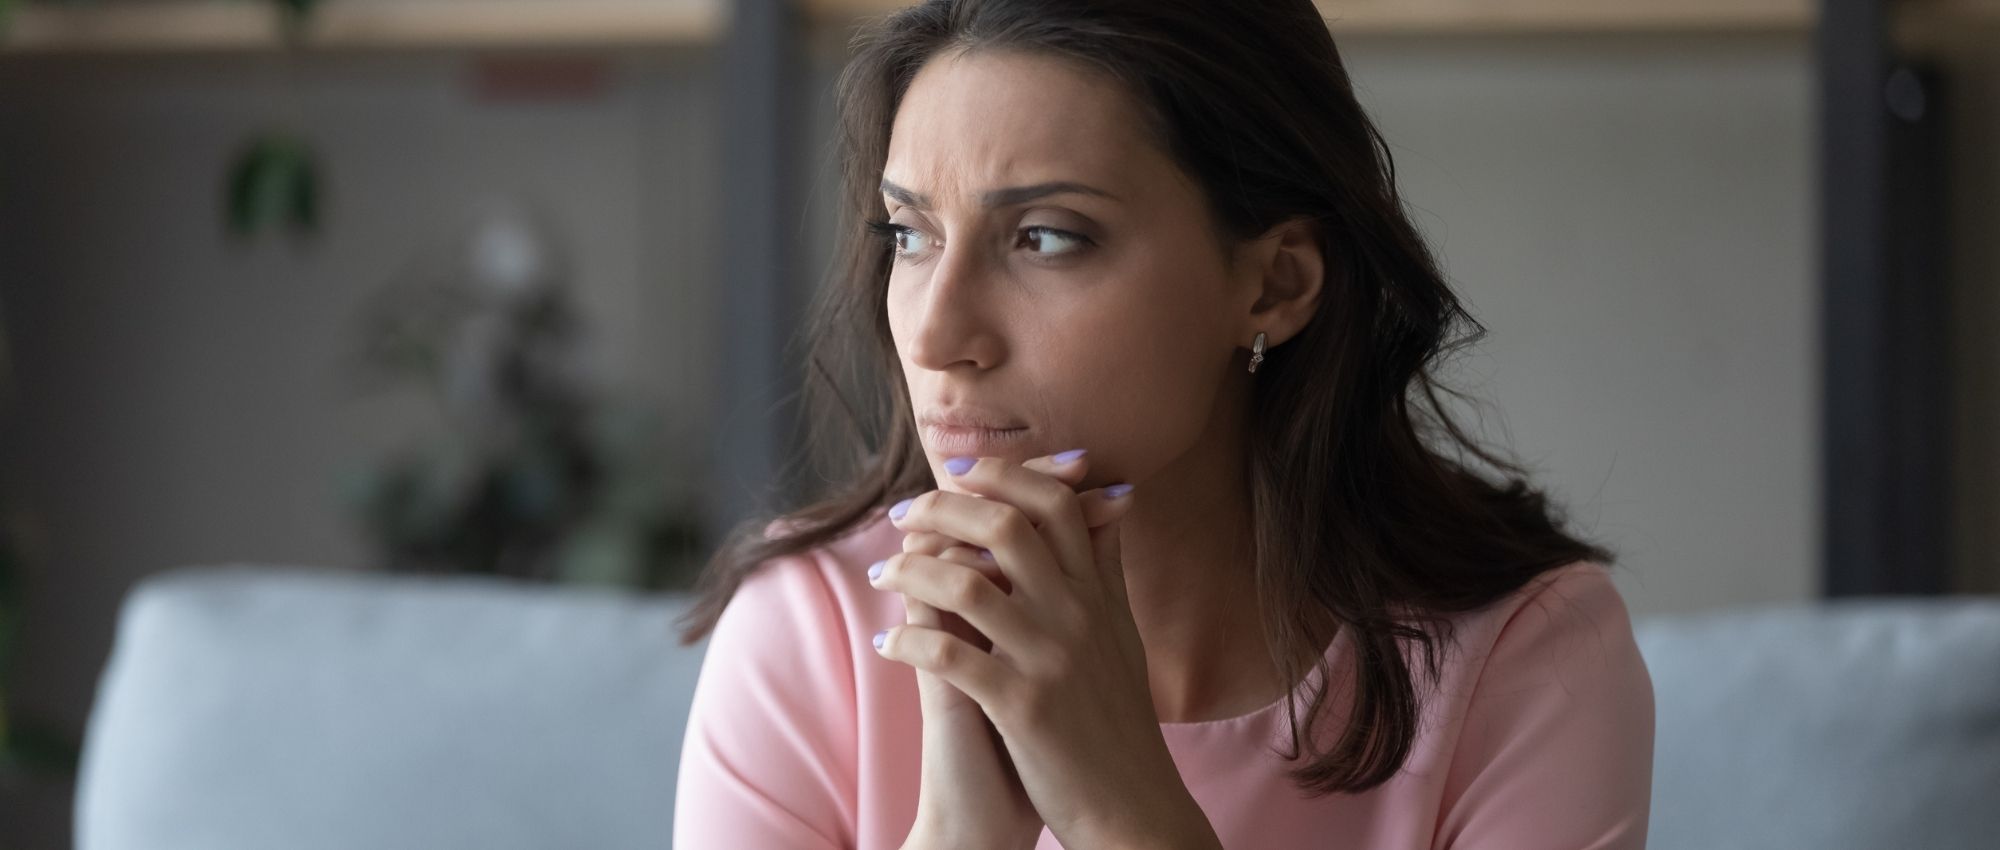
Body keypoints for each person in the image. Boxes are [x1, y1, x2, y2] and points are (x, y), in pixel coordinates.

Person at [671, 1, 1655, 847]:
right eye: (910, 234)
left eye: (1044, 237)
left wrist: (1121, 809)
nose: (935, 332)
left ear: (1273, 284)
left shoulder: (1522, 656)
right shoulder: (807, 631)